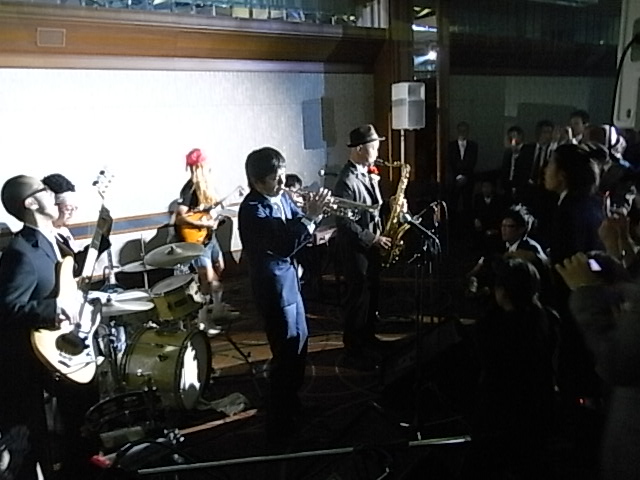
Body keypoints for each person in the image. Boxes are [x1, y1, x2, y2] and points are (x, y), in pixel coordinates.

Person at [238, 146, 329, 443]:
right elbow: (284, 244)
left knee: (299, 343)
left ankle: (293, 403)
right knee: (285, 353)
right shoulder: (253, 209)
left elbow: (298, 226)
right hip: (274, 289)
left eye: (282, 175)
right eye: (275, 179)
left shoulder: (281, 198)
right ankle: (278, 423)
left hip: (291, 283)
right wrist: (310, 218)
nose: (282, 183)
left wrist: (313, 211)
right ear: (257, 181)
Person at [0, 175, 81, 479]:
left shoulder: (50, 239)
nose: (52, 193)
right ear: (31, 203)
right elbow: (7, 308)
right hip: (24, 367)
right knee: (25, 449)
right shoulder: (21, 253)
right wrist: (54, 309)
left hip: (50, 356)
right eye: (45, 190)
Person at [462, 257, 555, 479]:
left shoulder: (493, 328)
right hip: (537, 408)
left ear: (502, 291)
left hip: (498, 411)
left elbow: (483, 362)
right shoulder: (547, 319)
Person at [334, 124, 392, 370]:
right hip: (356, 250)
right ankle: (354, 349)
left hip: (371, 246)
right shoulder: (346, 180)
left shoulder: (367, 172)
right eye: (374, 147)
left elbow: (374, 208)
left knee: (371, 295)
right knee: (357, 299)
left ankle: (368, 338)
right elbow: (345, 223)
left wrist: (391, 204)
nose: (377, 152)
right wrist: (373, 239)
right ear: (359, 148)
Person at [175, 148, 229, 335]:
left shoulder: (207, 189)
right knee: (208, 280)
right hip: (196, 241)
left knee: (220, 267)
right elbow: (180, 217)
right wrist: (202, 223)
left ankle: (218, 309)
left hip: (209, 237)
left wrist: (214, 219)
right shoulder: (189, 189)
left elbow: (205, 213)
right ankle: (202, 320)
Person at [41, 173, 111, 278]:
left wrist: (103, 234)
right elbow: (75, 268)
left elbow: (76, 260)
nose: (72, 213)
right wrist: (102, 236)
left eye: (75, 208)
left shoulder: (63, 231)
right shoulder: (45, 236)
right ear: (51, 206)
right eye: (68, 209)